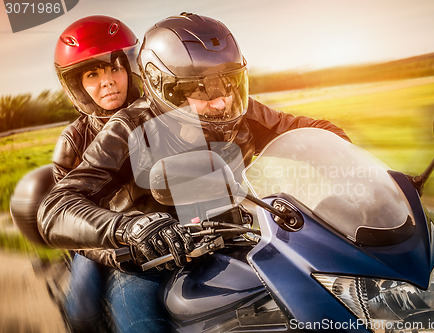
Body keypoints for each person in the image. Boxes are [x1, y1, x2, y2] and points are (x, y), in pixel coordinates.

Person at [38, 13, 350, 331]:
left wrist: (359, 165)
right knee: (137, 324)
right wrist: (129, 229)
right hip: (148, 261)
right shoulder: (129, 129)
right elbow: (56, 208)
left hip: (237, 237)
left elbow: (303, 129)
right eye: (202, 89)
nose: (221, 101)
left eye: (228, 82)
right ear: (166, 90)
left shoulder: (235, 108)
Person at [51, 15, 141, 332]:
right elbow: (68, 223)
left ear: (131, 68)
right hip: (101, 239)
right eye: (92, 73)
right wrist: (114, 250)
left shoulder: (157, 116)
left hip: (160, 232)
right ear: (77, 84)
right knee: (83, 312)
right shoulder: (72, 141)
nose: (108, 81)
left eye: (116, 67)